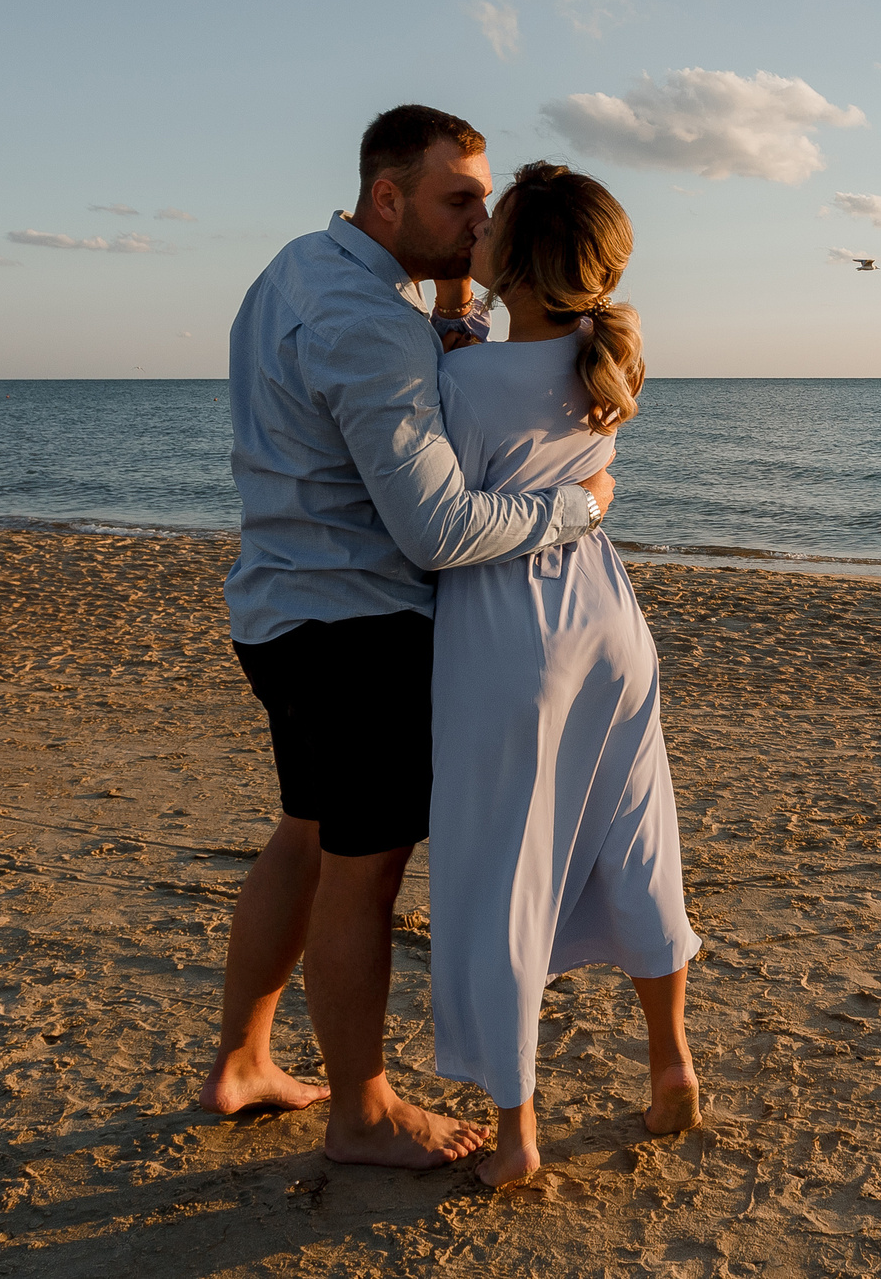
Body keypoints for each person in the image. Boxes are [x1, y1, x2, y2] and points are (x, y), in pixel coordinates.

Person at [196, 106, 615, 1171]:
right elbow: (437, 529)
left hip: (281, 609)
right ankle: (363, 1113)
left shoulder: (303, 269)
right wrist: (576, 506)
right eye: (459, 199)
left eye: (484, 200)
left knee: (306, 834)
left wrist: (454, 301)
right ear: (388, 198)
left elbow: (395, 390)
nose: (482, 221)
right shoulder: (370, 323)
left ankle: (244, 1060)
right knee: (362, 875)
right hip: (357, 633)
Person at [425, 161, 702, 1188]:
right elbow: (523, 374)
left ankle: (516, 1134)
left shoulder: (460, 383)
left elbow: (444, 512)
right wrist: (469, 303)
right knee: (638, 838)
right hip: (608, 617)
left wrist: (453, 311)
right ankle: (670, 1060)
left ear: (520, 262)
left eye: (491, 221)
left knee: (503, 872)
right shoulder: (607, 366)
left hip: (511, 632)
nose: (477, 228)